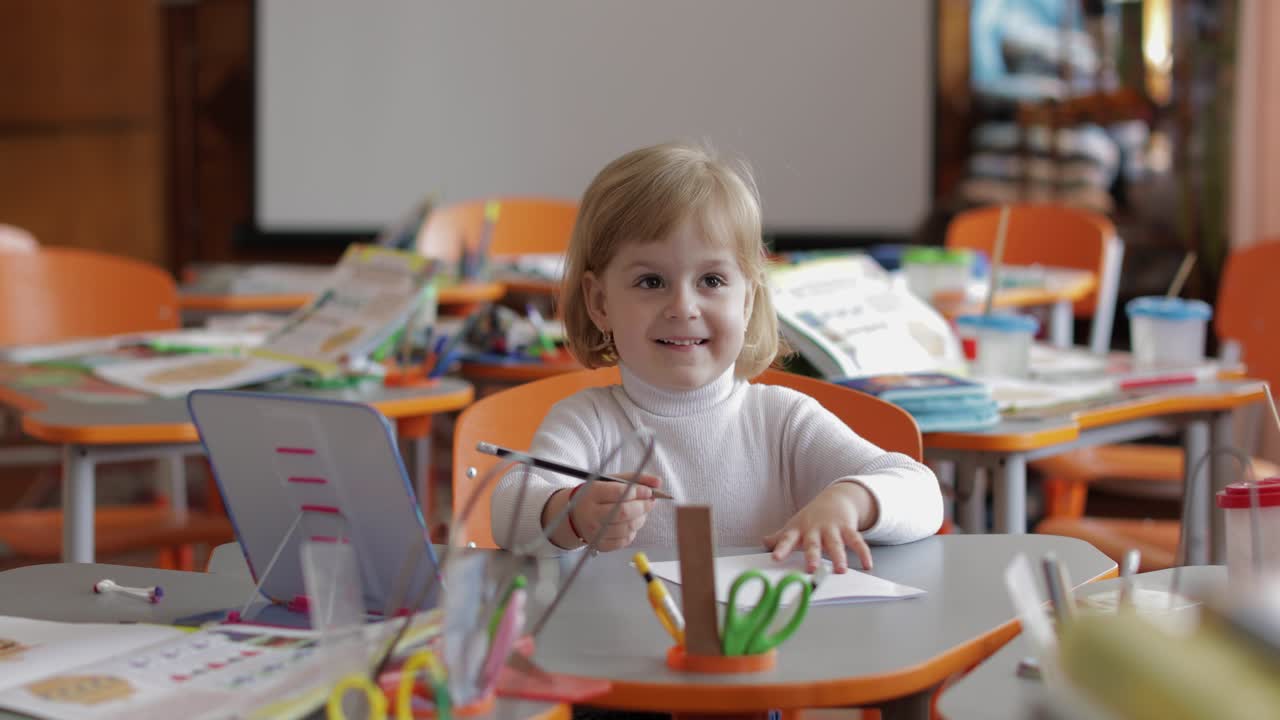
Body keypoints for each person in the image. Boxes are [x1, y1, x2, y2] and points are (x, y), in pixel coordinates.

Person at [489, 141, 943, 572]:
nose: (683, 307)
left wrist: (850, 501)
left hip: (763, 648)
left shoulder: (782, 421)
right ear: (600, 302)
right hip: (623, 647)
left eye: (711, 281)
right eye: (651, 282)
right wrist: (571, 512)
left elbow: (923, 493)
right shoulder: (587, 422)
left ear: (747, 301)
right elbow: (508, 506)